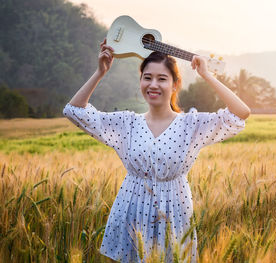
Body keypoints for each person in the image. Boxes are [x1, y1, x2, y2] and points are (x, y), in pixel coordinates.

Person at [63, 37, 250, 262]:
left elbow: (240, 113)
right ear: (140, 81)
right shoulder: (126, 123)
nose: (153, 85)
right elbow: (73, 110)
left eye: (162, 79)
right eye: (147, 77)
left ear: (175, 84)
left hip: (174, 214)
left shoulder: (191, 124)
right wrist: (100, 72)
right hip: (130, 212)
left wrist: (206, 75)